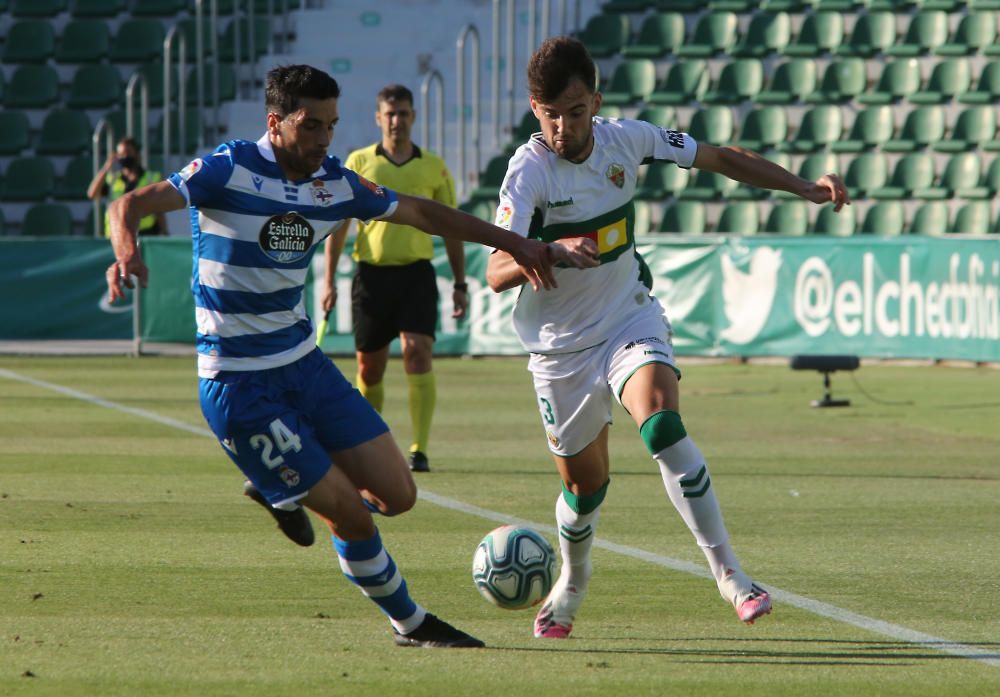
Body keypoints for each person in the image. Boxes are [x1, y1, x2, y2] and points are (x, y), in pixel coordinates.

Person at [104, 64, 598, 649]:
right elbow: (130, 203)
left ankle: (281, 483)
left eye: (330, 127)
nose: (322, 140)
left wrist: (516, 241)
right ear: (276, 123)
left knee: (400, 496)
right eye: (310, 126)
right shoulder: (227, 168)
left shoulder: (332, 183)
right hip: (239, 387)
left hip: (304, 366)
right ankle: (411, 623)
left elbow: (422, 212)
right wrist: (128, 248)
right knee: (353, 517)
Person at [485, 37, 851, 639]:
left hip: (629, 318)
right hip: (558, 348)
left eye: (575, 111)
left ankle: (731, 575)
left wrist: (803, 187)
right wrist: (547, 251)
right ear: (535, 108)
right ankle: (572, 582)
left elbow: (722, 157)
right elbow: (497, 269)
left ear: (594, 102)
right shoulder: (527, 171)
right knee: (584, 487)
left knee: (660, 422)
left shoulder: (627, 139)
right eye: (551, 113)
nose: (563, 126)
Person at [322, 84, 463, 474]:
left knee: (418, 352)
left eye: (403, 113)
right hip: (371, 276)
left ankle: (419, 449)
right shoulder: (359, 162)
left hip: (416, 274)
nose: (396, 120)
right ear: (378, 118)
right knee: (370, 368)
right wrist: (329, 280)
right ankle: (370, 445)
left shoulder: (433, 166)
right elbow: (339, 224)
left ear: (412, 117)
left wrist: (460, 282)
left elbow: (451, 226)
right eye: (390, 114)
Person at [87, 136, 168, 238]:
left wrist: (165, 231)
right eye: (121, 154)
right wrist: (106, 167)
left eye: (128, 152)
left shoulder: (151, 178)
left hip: (145, 234)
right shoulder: (112, 180)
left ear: (137, 154)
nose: (125, 156)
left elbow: (158, 210)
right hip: (117, 235)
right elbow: (92, 193)